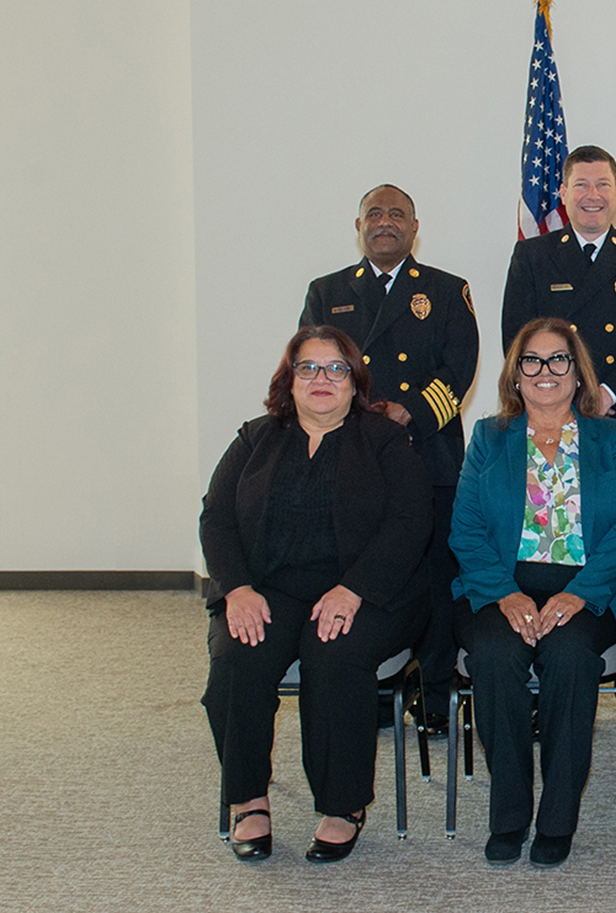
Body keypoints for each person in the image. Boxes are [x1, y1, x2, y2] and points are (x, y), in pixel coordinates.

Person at [201, 325, 432, 863]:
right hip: (268, 588)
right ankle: (249, 799)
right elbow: (216, 520)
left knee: (334, 653)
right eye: (309, 368)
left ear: (355, 383)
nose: (322, 379)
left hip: (368, 589)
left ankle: (342, 804)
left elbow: (410, 522)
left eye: (336, 369)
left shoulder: (385, 441)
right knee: (238, 656)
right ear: (290, 379)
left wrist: (354, 589)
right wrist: (236, 589)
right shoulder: (254, 438)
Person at [450, 318, 616, 868]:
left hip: (587, 588)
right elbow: (464, 528)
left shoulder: (613, 437)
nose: (545, 372)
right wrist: (504, 594)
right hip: (500, 583)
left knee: (567, 656)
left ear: (577, 373)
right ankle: (509, 815)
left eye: (558, 359)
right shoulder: (489, 437)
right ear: (515, 374)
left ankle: (557, 819)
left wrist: (580, 593)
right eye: (531, 361)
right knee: (494, 655)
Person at [500, 145, 616, 738]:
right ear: (565, 194)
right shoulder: (531, 257)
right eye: (581, 185)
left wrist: (606, 396)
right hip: (547, 423)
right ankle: (537, 679)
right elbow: (516, 340)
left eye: (603, 184)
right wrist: (561, 396)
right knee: (549, 544)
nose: (593, 195)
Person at [301, 184, 479, 734]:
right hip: (352, 455)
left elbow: (461, 366)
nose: (385, 222)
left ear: (414, 226)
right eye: (373, 214)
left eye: (396, 214)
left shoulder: (448, 290)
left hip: (429, 452)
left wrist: (412, 413)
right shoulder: (327, 291)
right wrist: (362, 416)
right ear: (358, 227)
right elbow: (312, 365)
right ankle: (371, 689)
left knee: (434, 576)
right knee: (358, 565)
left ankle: (435, 695)